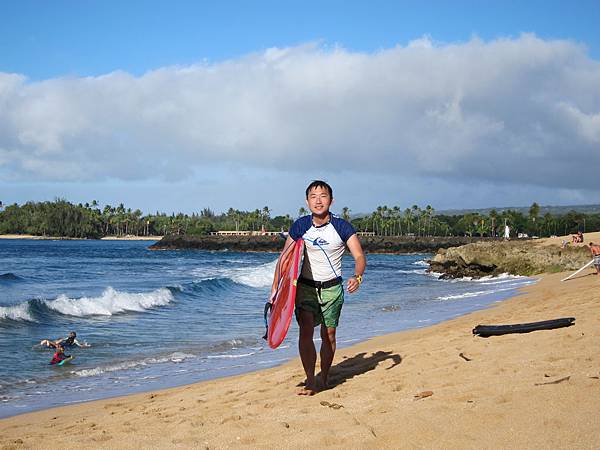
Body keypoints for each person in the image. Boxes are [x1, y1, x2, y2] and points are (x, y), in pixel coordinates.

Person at [271, 180, 366, 395]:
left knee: (329, 334)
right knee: (305, 332)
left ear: (331, 200)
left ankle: (323, 377)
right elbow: (284, 260)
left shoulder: (342, 227)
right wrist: (275, 291)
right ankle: (310, 380)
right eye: (313, 196)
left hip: (333, 289)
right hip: (305, 288)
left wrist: (357, 276)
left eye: (323, 196)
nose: (318, 200)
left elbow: (359, 256)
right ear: (307, 201)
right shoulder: (300, 226)